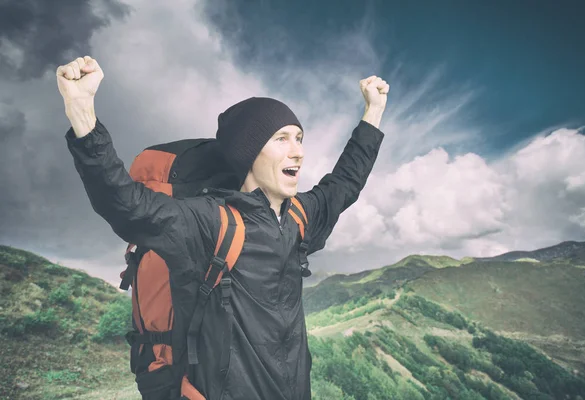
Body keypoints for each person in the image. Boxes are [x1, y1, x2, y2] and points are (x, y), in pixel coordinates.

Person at [57, 56, 389, 400]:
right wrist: (82, 112)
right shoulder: (209, 222)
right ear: (249, 153)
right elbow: (127, 205)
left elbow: (345, 183)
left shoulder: (300, 216)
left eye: (299, 138)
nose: (299, 152)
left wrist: (373, 112)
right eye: (281, 139)